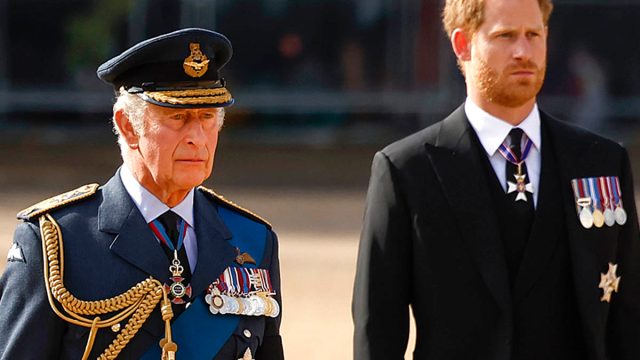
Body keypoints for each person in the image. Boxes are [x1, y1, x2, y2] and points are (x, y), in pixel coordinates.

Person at [352, 0, 640, 359]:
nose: (523, 51)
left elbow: (628, 318)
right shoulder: (406, 171)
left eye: (533, 35)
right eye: (505, 36)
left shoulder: (602, 162)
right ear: (462, 44)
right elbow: (377, 329)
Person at [0, 28, 284, 360]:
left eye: (207, 118)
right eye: (177, 117)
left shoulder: (253, 240)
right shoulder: (57, 242)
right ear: (127, 126)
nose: (198, 137)